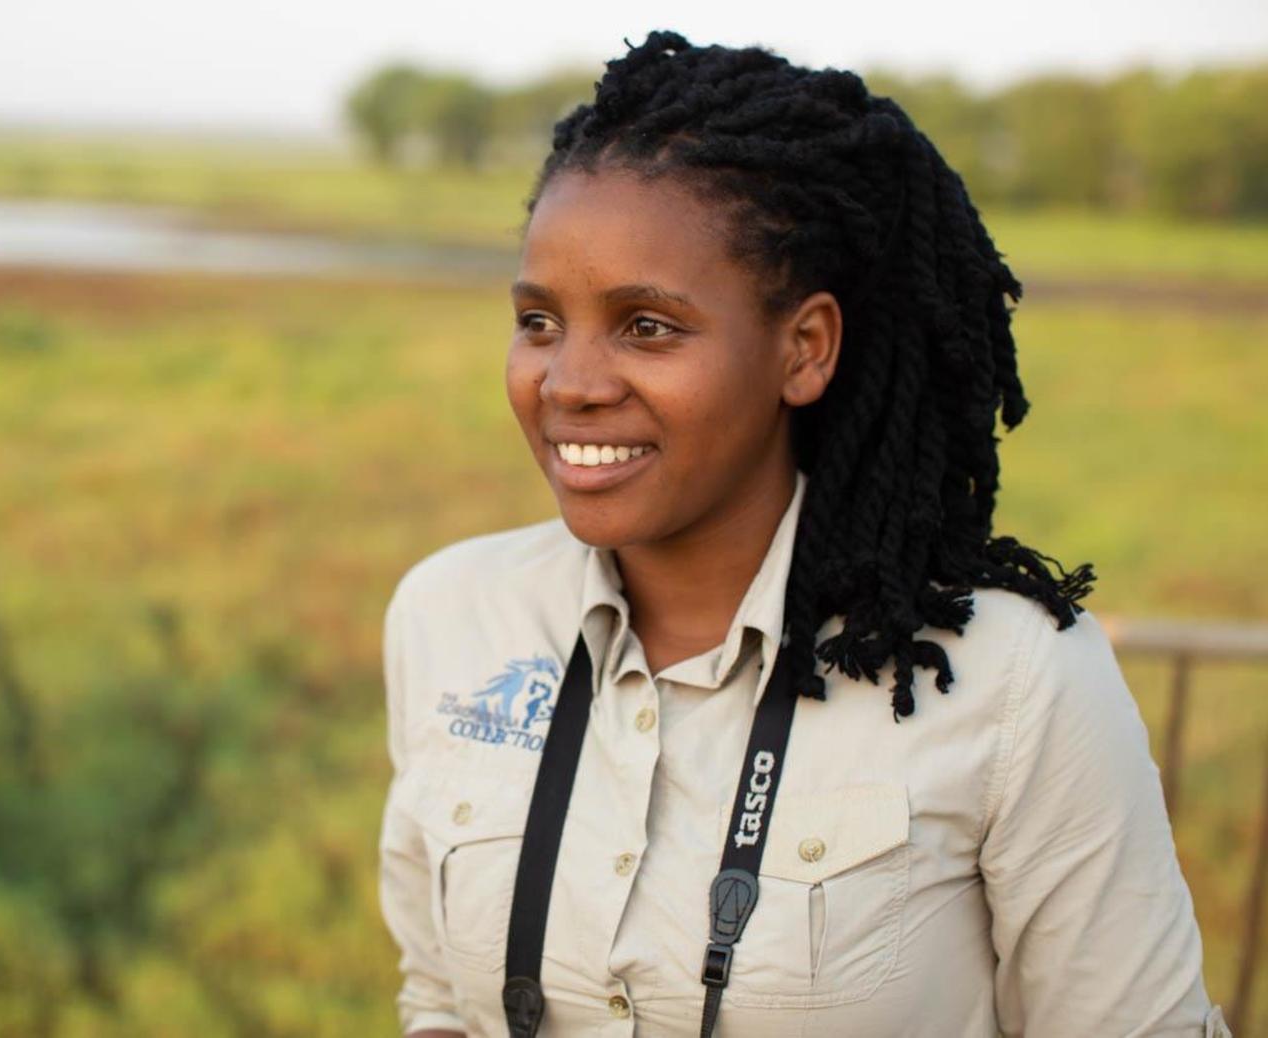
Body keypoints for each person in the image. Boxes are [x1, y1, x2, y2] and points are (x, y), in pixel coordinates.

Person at [377, 29, 1230, 1038]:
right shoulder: (451, 614)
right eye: (540, 322)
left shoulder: (1013, 684)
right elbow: (438, 997)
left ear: (804, 348)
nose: (570, 383)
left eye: (647, 326)